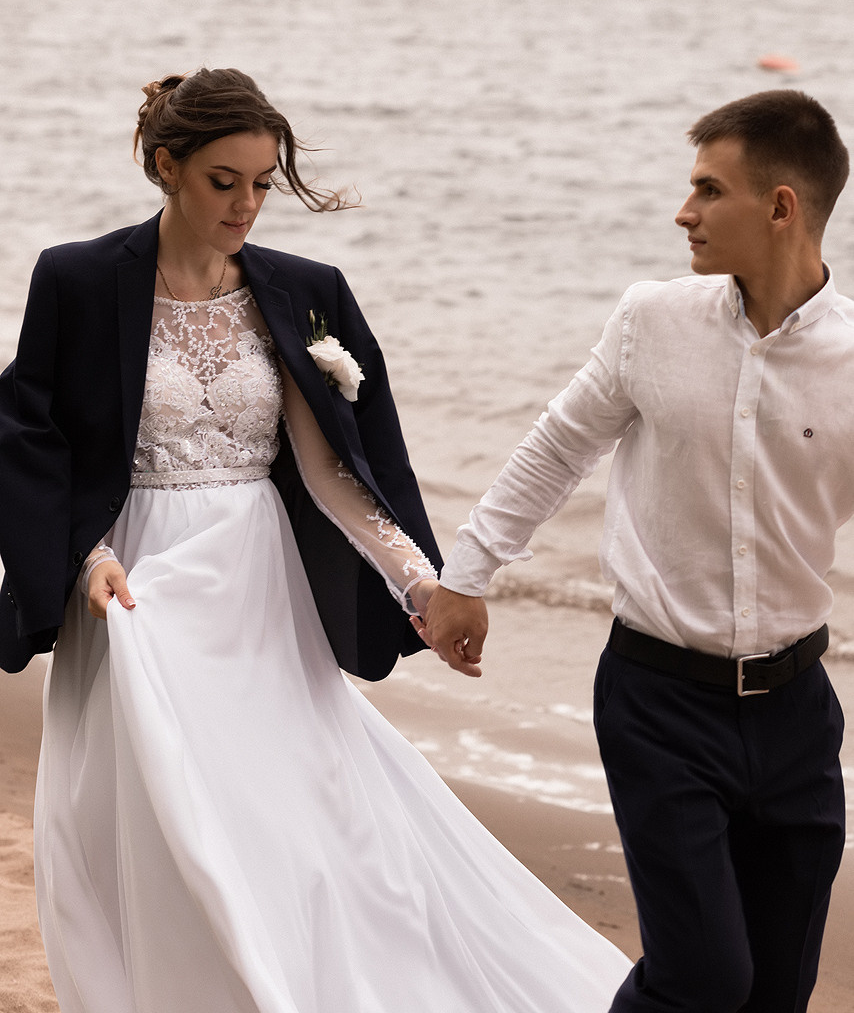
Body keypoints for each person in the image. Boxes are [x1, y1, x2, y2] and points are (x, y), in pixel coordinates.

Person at [0, 67, 630, 1013]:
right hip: (131, 584)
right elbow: (29, 437)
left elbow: (340, 473)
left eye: (263, 182)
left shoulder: (305, 289)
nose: (247, 205)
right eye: (224, 181)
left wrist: (423, 587)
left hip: (257, 586)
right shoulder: (78, 278)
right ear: (166, 166)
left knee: (290, 810)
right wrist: (86, 556)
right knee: (136, 815)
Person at [423, 88, 852, 1013]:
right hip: (660, 702)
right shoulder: (652, 320)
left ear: (781, 207)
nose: (683, 211)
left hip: (797, 715)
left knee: (775, 992)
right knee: (704, 978)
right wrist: (466, 574)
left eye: (709, 190)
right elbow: (558, 446)